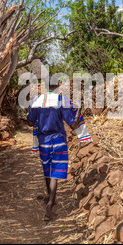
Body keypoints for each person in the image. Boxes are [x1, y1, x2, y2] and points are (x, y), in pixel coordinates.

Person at [27, 81, 92, 221]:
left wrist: (30, 110)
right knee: (55, 174)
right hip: (58, 140)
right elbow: (73, 123)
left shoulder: (37, 101)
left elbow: (30, 122)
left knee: (47, 169)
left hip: (43, 141)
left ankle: (50, 197)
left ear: (46, 87)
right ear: (58, 87)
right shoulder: (62, 101)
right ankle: (49, 208)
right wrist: (79, 109)